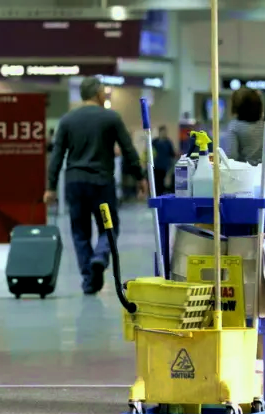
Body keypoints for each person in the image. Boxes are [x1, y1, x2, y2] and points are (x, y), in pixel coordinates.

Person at [44, 77, 146, 295]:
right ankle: (100, 256)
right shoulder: (110, 118)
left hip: (75, 183)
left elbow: (57, 155)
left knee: (80, 232)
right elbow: (128, 149)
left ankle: (89, 279)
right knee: (109, 227)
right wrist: (140, 176)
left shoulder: (68, 120)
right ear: (98, 93)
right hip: (102, 183)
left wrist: (51, 187)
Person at [151, 125, 177, 195]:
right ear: (159, 132)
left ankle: (162, 195)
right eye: (162, 131)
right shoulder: (155, 142)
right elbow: (150, 152)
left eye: (165, 132)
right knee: (157, 182)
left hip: (165, 166)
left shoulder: (168, 142)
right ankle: (156, 195)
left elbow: (172, 153)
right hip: (156, 165)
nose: (164, 133)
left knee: (164, 183)